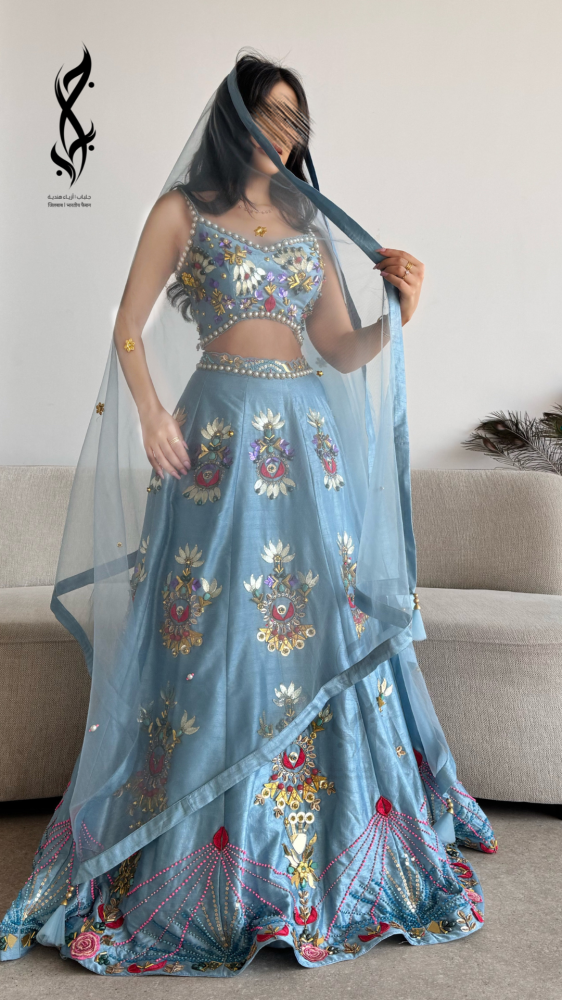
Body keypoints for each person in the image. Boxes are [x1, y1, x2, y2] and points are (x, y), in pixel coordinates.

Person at [0, 51, 497, 976]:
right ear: (232, 117)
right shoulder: (182, 212)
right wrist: (151, 414)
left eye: (296, 121)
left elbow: (339, 348)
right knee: (217, 630)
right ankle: (198, 837)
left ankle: (332, 838)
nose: (283, 134)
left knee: (322, 628)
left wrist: (402, 313)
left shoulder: (308, 222)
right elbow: (126, 326)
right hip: (215, 444)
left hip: (308, 451)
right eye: (268, 115)